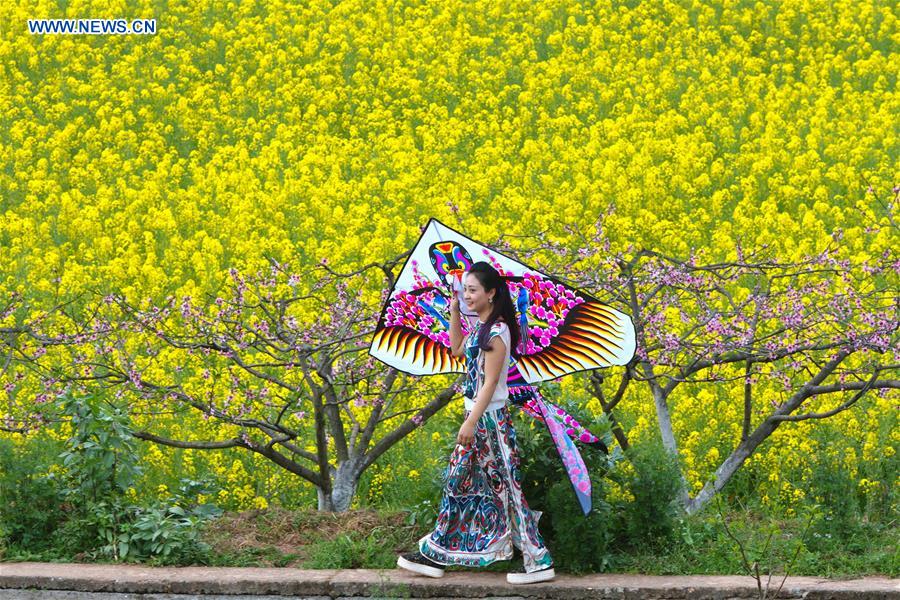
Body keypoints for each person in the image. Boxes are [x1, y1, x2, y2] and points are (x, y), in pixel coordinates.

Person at [396, 261, 555, 585]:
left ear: (491, 292)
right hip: (479, 419)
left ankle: (538, 560)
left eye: (472, 290)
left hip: (490, 423)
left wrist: (470, 422)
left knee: (508, 490)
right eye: (464, 289)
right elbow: (456, 349)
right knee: (455, 484)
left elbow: (490, 382)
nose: (466, 295)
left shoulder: (497, 332)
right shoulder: (481, 328)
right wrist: (454, 310)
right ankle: (435, 553)